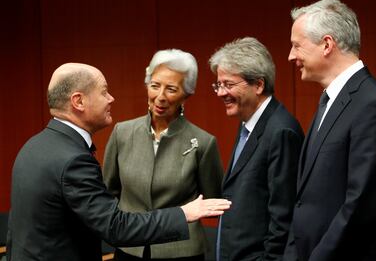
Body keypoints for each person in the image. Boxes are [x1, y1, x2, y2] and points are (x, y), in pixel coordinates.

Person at [6, 63, 231, 261]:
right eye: (104, 92)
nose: (111, 98)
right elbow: (115, 225)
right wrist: (183, 214)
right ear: (79, 101)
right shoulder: (74, 160)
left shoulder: (33, 146)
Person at [283, 0, 376, 261]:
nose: (291, 56)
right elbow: (304, 200)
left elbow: (361, 207)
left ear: (327, 44)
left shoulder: (375, 105)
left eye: (296, 46)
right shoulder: (329, 101)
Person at [103, 49, 224, 260]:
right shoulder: (122, 133)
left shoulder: (203, 142)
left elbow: (212, 200)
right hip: (130, 247)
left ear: (186, 94)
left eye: (171, 89)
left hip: (181, 251)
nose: (160, 97)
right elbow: (108, 191)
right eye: (155, 86)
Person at [209, 37, 304, 260]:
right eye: (218, 85)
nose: (221, 93)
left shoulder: (281, 131)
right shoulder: (248, 123)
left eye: (228, 84)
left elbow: (283, 218)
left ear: (258, 85)